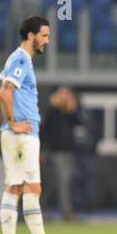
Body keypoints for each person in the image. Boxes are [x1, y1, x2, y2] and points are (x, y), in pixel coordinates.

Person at [0, 16, 68, 234]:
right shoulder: (21, 58)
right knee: (32, 187)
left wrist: (9, 121)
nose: (47, 40)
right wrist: (12, 121)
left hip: (16, 134)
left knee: (14, 187)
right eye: (44, 35)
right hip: (22, 135)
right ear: (31, 36)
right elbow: (4, 92)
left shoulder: (16, 58)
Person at [40, 86, 79, 220]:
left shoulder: (68, 112)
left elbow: (78, 122)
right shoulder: (52, 111)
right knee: (50, 183)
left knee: (65, 182)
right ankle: (43, 211)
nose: (64, 96)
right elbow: (44, 132)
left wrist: (72, 107)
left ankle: (66, 212)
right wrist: (41, 151)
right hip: (53, 152)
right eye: (62, 93)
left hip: (67, 151)